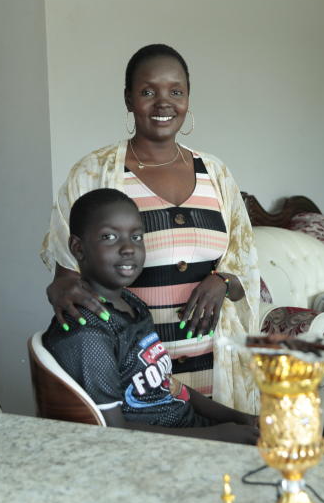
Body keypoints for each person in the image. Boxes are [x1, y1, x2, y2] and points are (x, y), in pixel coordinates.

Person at [41, 44, 260, 412]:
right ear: (129, 100)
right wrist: (60, 287)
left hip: (216, 371)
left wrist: (222, 281)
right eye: (148, 92)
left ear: (188, 99)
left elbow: (246, 269)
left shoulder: (216, 174)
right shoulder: (94, 173)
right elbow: (66, 275)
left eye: (176, 91)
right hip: (138, 379)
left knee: (220, 460)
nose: (164, 103)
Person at [43, 189, 259, 443]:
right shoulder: (88, 333)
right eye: (109, 237)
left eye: (136, 237)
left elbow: (168, 385)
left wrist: (238, 418)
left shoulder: (131, 303)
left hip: (192, 430)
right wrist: (221, 436)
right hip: (158, 449)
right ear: (78, 248)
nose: (127, 248)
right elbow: (111, 431)